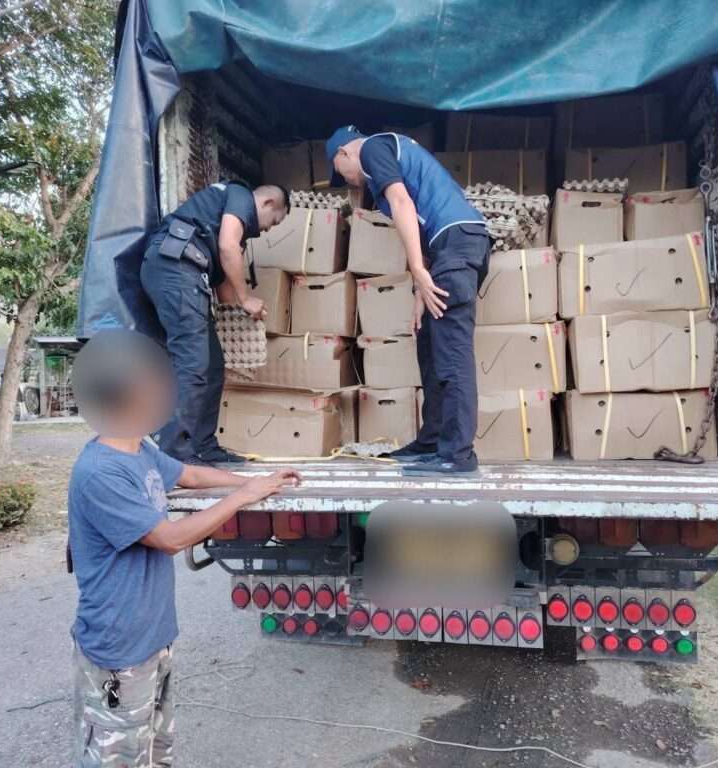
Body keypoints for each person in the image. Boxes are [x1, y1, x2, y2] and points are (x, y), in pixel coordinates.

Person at [67, 329, 301, 767]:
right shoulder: (100, 472)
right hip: (118, 649)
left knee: (157, 751)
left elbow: (189, 475)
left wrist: (254, 482)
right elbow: (170, 539)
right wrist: (242, 498)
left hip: (153, 638)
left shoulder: (137, 447)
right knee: (117, 757)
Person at [326, 126, 491, 476]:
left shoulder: (372, 149)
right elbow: (418, 224)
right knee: (430, 348)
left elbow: (402, 203)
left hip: (456, 245)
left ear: (344, 152)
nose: (351, 182)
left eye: (343, 174)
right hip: (448, 248)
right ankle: (432, 442)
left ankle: (458, 455)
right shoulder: (389, 154)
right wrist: (420, 288)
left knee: (452, 356)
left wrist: (416, 269)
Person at [138, 182, 291, 465]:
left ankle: (204, 447)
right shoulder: (240, 196)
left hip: (185, 274)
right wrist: (246, 299)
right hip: (176, 269)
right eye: (273, 221)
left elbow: (224, 287)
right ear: (268, 203)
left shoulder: (224, 223)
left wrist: (243, 318)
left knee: (212, 365)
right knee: (193, 363)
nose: (268, 229)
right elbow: (227, 246)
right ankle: (174, 455)